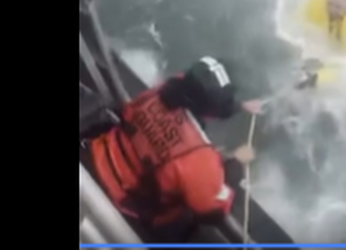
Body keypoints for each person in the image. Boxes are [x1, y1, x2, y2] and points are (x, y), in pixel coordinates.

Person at [80, 56, 263, 241]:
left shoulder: (158, 93)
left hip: (92, 157)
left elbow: (130, 111)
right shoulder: (199, 160)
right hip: (126, 207)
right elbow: (212, 211)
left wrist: (238, 107)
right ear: (212, 109)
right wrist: (236, 165)